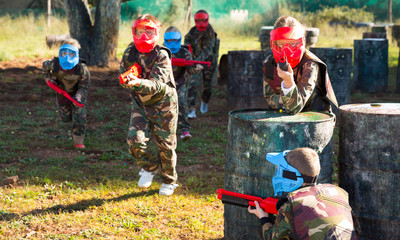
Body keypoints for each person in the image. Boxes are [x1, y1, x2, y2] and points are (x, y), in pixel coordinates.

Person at [119, 14, 178, 196]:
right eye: (139, 31)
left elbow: (158, 85)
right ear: (133, 32)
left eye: (149, 31)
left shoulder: (162, 55)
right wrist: (127, 80)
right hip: (140, 104)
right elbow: (123, 77)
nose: (144, 35)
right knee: (134, 140)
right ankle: (150, 167)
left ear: (157, 33)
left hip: (164, 106)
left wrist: (137, 82)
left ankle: (169, 180)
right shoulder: (130, 53)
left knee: (165, 146)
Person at [248, 147, 360, 240]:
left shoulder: (291, 205)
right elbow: (356, 229)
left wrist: (264, 218)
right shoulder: (338, 193)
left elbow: (272, 238)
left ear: (291, 176)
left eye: (280, 170)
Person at [263, 16, 338, 115]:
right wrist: (283, 100)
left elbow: (294, 108)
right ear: (274, 43)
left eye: (292, 44)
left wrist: (288, 81)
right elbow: (269, 97)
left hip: (314, 118)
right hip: (283, 117)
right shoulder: (270, 63)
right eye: (281, 43)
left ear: (301, 42)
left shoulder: (310, 65)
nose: (286, 49)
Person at [42, 39, 90, 149]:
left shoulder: (81, 69)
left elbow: (84, 87)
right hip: (61, 93)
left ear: (76, 54)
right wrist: (48, 79)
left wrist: (78, 98)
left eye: (71, 54)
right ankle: (71, 119)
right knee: (65, 118)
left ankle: (78, 142)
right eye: (64, 53)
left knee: (79, 117)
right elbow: (44, 67)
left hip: (78, 94)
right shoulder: (54, 64)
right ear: (60, 53)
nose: (67, 57)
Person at [164, 26, 203, 140]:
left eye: (175, 40)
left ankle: (184, 130)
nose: (173, 43)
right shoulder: (160, 51)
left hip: (179, 81)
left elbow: (190, 70)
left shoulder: (184, 53)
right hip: (163, 82)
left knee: (181, 103)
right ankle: (162, 129)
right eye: (170, 40)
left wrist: (197, 68)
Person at [184, 9, 218, 118]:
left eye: (203, 20)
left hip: (208, 62)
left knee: (207, 86)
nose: (201, 24)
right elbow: (186, 44)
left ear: (207, 20)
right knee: (193, 84)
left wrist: (196, 60)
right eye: (198, 21)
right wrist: (190, 58)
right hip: (195, 62)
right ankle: (191, 108)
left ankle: (204, 101)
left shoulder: (210, 32)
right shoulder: (193, 32)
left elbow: (208, 50)